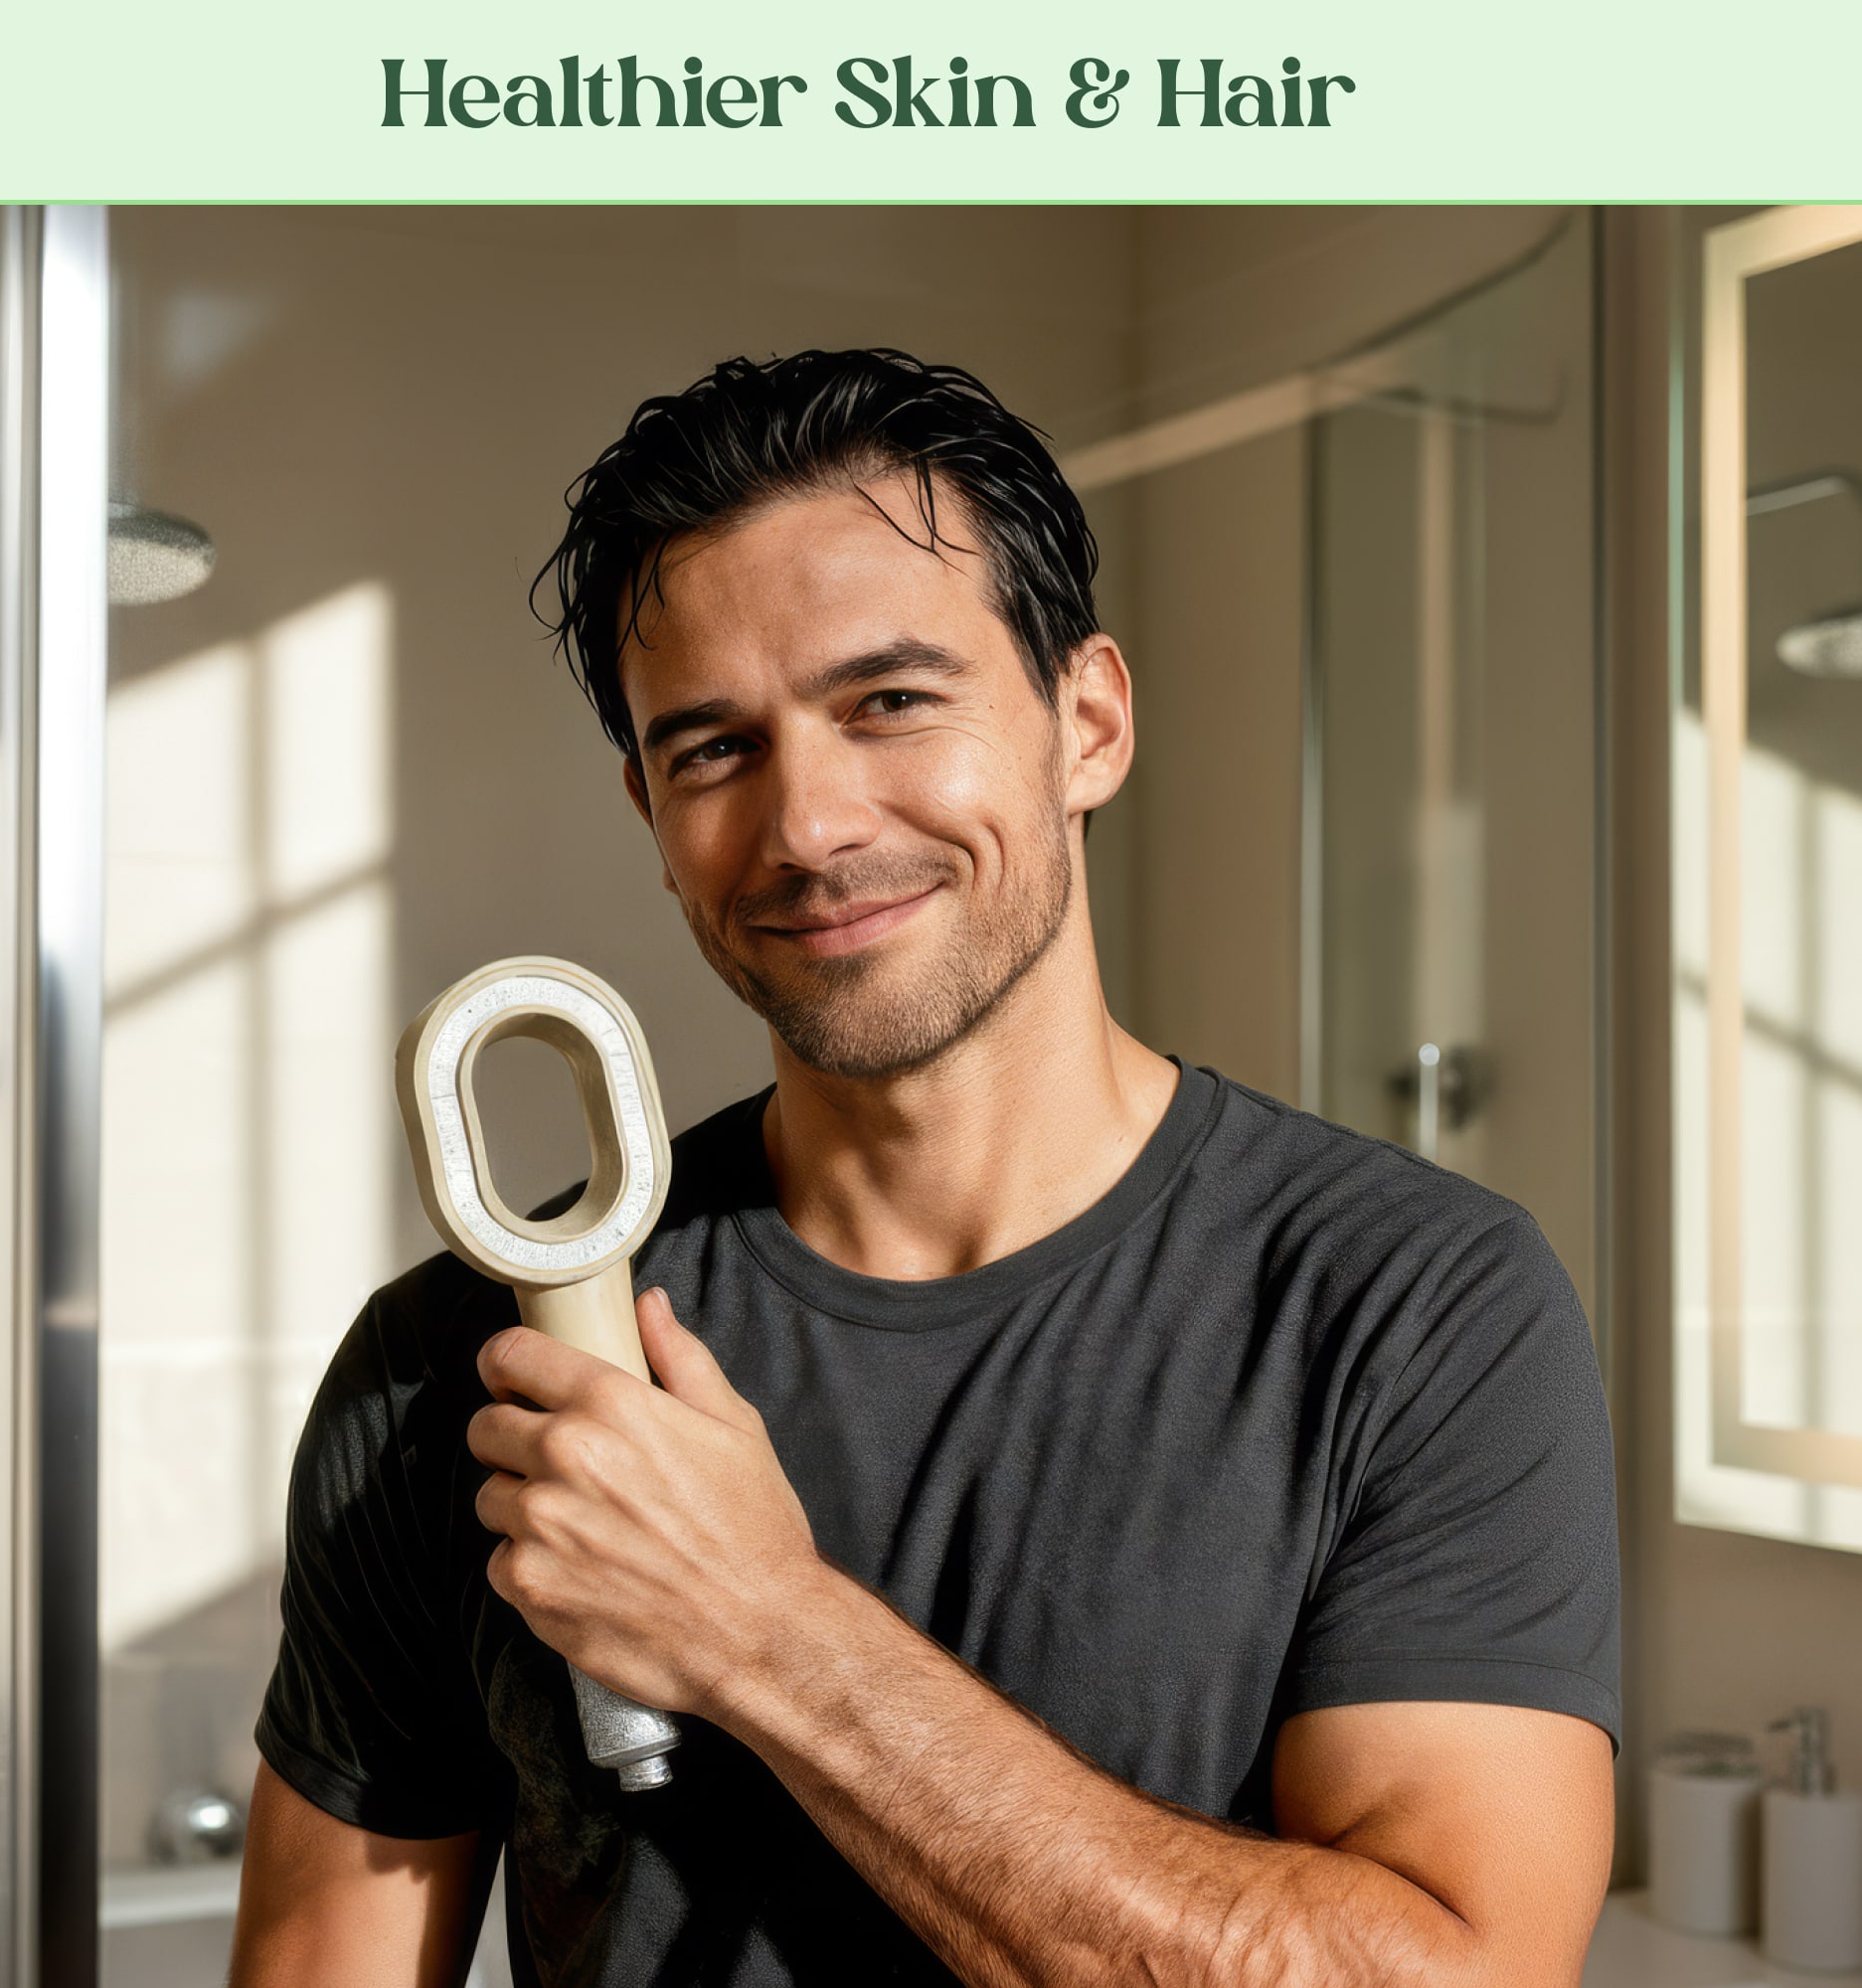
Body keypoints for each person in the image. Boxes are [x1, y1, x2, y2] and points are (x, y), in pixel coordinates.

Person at [230, 349, 1618, 1988]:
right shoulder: (453, 1369)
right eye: (712, 748)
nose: (808, 827)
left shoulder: (1414, 1308)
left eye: (890, 701)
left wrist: (770, 1633)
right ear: (649, 810)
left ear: (1087, 723)